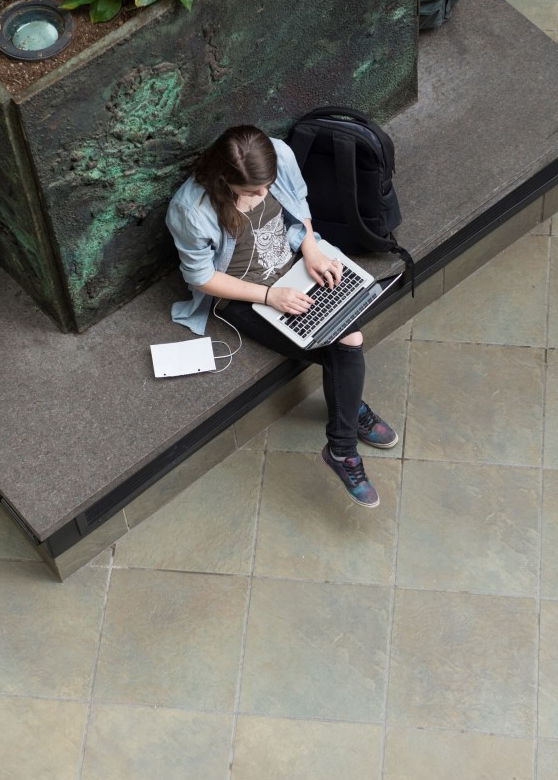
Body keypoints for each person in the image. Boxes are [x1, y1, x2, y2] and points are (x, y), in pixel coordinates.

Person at [166, 125, 397, 507]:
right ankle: (345, 434)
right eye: (252, 191)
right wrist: (271, 295)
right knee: (347, 342)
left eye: (266, 186)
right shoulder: (191, 211)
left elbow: (299, 205)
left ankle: (345, 423)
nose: (262, 195)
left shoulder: (277, 154)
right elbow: (202, 277)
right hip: (247, 296)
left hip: (295, 267)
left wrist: (311, 249)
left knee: (345, 335)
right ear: (225, 180)